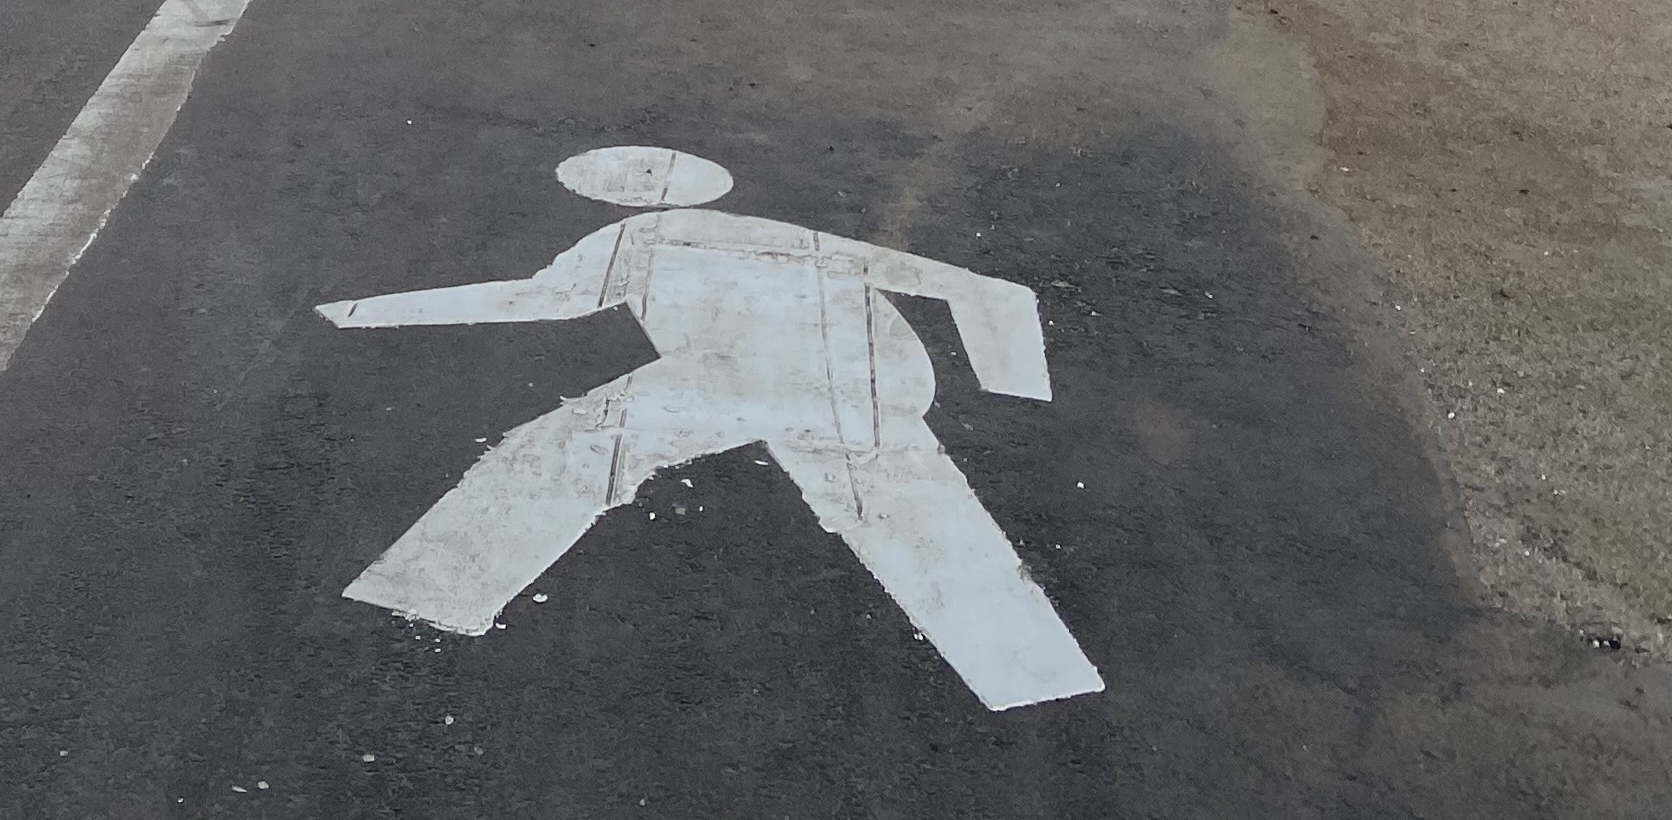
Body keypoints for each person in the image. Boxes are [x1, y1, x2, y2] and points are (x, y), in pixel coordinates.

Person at [318, 144, 1102, 710]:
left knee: (575, 442)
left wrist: (367, 314)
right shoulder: (789, 235)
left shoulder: (633, 240)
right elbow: (991, 291)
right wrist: (1015, 393)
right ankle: (1036, 677)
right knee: (917, 511)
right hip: (879, 379)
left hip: (752, 371)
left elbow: (534, 300)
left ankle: (429, 590)